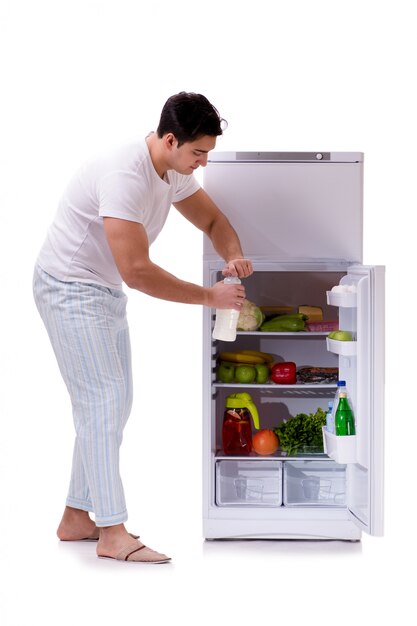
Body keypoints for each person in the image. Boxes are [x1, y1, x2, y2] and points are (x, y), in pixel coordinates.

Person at [33, 92, 253, 564]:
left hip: (102, 290)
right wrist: (209, 297)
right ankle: (112, 532)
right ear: (170, 140)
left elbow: (213, 219)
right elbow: (136, 269)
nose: (202, 163)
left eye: (207, 154)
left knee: (113, 403)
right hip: (69, 287)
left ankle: (76, 517)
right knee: (104, 401)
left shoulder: (172, 169)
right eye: (198, 154)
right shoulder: (123, 175)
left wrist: (231, 254)